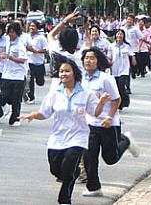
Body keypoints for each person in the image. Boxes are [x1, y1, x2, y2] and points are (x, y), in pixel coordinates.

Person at [21, 59, 110, 205]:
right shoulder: (55, 94)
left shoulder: (85, 94)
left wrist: (101, 102)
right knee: (55, 169)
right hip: (58, 137)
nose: (64, 74)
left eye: (67, 71)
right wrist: (32, 115)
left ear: (75, 73)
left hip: (78, 137)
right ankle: (73, 173)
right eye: (61, 71)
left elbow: (95, 112)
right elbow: (45, 113)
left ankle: (65, 199)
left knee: (68, 168)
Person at [81, 48, 140, 197]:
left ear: (98, 61)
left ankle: (125, 141)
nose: (88, 61)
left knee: (110, 158)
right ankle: (94, 187)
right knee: (89, 156)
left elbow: (117, 99)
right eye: (86, 58)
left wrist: (109, 117)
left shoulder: (105, 79)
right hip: (90, 124)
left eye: (92, 58)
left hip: (108, 123)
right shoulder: (82, 79)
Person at [0, 22, 28, 126]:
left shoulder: (20, 45)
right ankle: (5, 108)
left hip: (18, 75)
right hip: (7, 74)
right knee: (4, 95)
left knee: (16, 99)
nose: (11, 34)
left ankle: (15, 118)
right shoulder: (7, 42)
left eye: (13, 32)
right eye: (9, 32)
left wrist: (10, 57)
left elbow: (23, 60)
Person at [107, 29, 136, 110]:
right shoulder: (111, 46)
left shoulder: (127, 46)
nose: (119, 36)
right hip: (115, 70)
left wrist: (133, 59)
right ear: (115, 36)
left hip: (124, 70)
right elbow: (109, 57)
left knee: (121, 86)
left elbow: (132, 54)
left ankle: (125, 102)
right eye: (118, 34)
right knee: (116, 88)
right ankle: (119, 105)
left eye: (121, 34)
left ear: (123, 36)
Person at [24, 20, 49, 103]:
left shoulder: (41, 38)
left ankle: (40, 80)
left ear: (37, 28)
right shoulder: (26, 36)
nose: (31, 28)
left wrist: (36, 51)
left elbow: (46, 49)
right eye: (30, 26)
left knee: (40, 82)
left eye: (33, 26)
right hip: (29, 62)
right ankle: (31, 97)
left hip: (38, 62)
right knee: (30, 80)